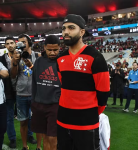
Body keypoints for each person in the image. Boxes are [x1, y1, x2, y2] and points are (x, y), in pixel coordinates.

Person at [56, 14, 110, 150]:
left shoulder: (95, 57)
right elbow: (63, 85)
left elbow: (103, 92)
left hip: (86, 123)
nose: (66, 32)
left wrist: (90, 113)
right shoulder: (60, 58)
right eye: (63, 28)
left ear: (82, 32)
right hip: (62, 120)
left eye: (71, 28)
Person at [31, 35, 61, 150]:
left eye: (55, 50)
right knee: (44, 137)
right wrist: (33, 102)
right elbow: (34, 83)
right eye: (49, 50)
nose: (52, 52)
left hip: (55, 106)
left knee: (53, 138)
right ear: (44, 48)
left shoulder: (62, 61)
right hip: (39, 105)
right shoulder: (38, 62)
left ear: (60, 47)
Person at [11, 34, 37, 150]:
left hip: (35, 94)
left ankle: (32, 137)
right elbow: (13, 75)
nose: (22, 44)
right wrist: (15, 62)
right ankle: (25, 146)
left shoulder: (37, 56)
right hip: (21, 94)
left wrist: (31, 65)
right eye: (20, 43)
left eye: (24, 42)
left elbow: (40, 74)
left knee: (35, 120)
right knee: (23, 121)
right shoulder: (16, 56)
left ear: (29, 42)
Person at [0, 37, 17, 148]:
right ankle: (12, 138)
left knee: (26, 116)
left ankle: (29, 135)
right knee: (9, 116)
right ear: (5, 46)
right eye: (7, 43)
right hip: (8, 91)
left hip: (22, 91)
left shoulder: (21, 57)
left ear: (15, 44)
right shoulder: (1, 59)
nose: (10, 45)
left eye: (11, 43)